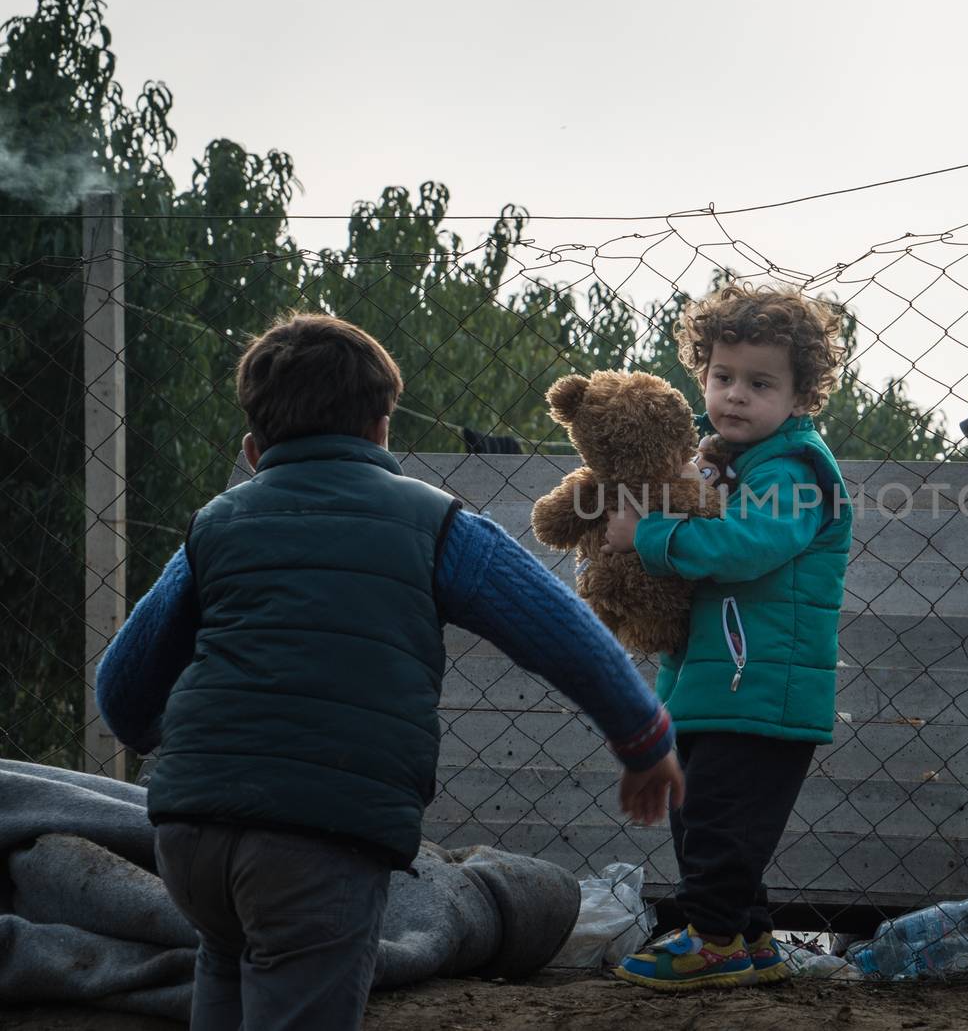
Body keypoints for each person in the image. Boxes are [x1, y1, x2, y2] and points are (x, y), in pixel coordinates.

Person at [94, 313, 685, 1031]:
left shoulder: (215, 524)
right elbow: (559, 629)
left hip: (189, 831)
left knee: (225, 966)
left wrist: (184, 742)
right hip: (318, 833)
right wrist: (642, 734)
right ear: (381, 430)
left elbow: (121, 687)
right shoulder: (433, 523)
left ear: (253, 449)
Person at [600, 285, 853, 991]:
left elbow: (749, 547)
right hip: (719, 680)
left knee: (716, 818)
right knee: (704, 813)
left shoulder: (796, 469)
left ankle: (709, 936)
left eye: (760, 383)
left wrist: (648, 534)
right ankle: (750, 937)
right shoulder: (736, 464)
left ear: (802, 396)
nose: (735, 395)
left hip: (761, 686)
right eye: (722, 377)